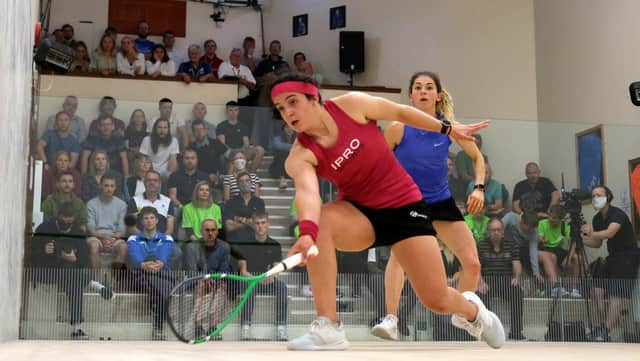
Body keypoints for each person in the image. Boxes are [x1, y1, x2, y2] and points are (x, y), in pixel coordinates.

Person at [268, 73, 502, 350]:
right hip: (361, 213)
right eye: (281, 108)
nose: (288, 113)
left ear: (314, 98)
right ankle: (328, 327)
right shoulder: (299, 155)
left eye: (293, 102)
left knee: (436, 299)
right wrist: (307, 233)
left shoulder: (352, 105)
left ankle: (475, 314)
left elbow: (401, 112)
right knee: (323, 221)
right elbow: (307, 192)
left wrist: (447, 129)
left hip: (405, 207)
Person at [372, 71, 485, 340]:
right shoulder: (397, 127)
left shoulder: (450, 128)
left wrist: (479, 187)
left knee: (472, 264)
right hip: (408, 202)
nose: (423, 91)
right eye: (418, 88)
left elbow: (478, 159)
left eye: (429, 87)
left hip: (441, 202)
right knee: (399, 259)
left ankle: (463, 316)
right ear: (410, 95)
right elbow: (378, 165)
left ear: (438, 95)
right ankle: (391, 319)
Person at [31, 203, 113, 339]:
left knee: (74, 281)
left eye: (70, 220)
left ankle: (76, 329)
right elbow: (32, 252)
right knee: (73, 275)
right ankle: (94, 286)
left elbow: (83, 259)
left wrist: (73, 259)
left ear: (74, 219)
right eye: (64, 219)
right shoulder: (45, 228)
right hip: (47, 270)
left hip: (70, 272)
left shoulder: (78, 232)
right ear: (58, 217)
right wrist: (44, 251)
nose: (67, 223)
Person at [581, 186, 640, 341]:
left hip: (628, 257)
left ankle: (606, 331)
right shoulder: (597, 219)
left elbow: (609, 233)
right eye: (593, 195)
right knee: (596, 291)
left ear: (608, 197)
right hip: (612, 257)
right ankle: (596, 328)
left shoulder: (617, 214)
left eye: (599, 195)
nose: (596, 198)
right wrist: (580, 239)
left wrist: (590, 232)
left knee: (617, 294)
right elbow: (597, 243)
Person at [126, 206, 176, 340]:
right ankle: (158, 327)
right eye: (146, 218)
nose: (149, 221)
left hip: (162, 274)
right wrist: (143, 264)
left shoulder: (167, 238)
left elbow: (164, 254)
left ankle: (157, 324)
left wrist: (160, 263)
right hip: (141, 275)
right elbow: (135, 256)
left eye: (152, 218)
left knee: (163, 287)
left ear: (157, 220)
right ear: (141, 222)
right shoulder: (133, 239)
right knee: (163, 289)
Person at [476, 218, 526, 340]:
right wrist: (480, 281)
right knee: (481, 297)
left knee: (517, 293)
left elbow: (517, 263)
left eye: (499, 230)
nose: (496, 232)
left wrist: (517, 277)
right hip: (487, 282)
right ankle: (487, 333)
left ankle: (515, 332)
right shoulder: (480, 245)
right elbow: (476, 266)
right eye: (493, 230)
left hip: (506, 281)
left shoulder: (511, 244)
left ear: (503, 231)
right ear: (488, 232)